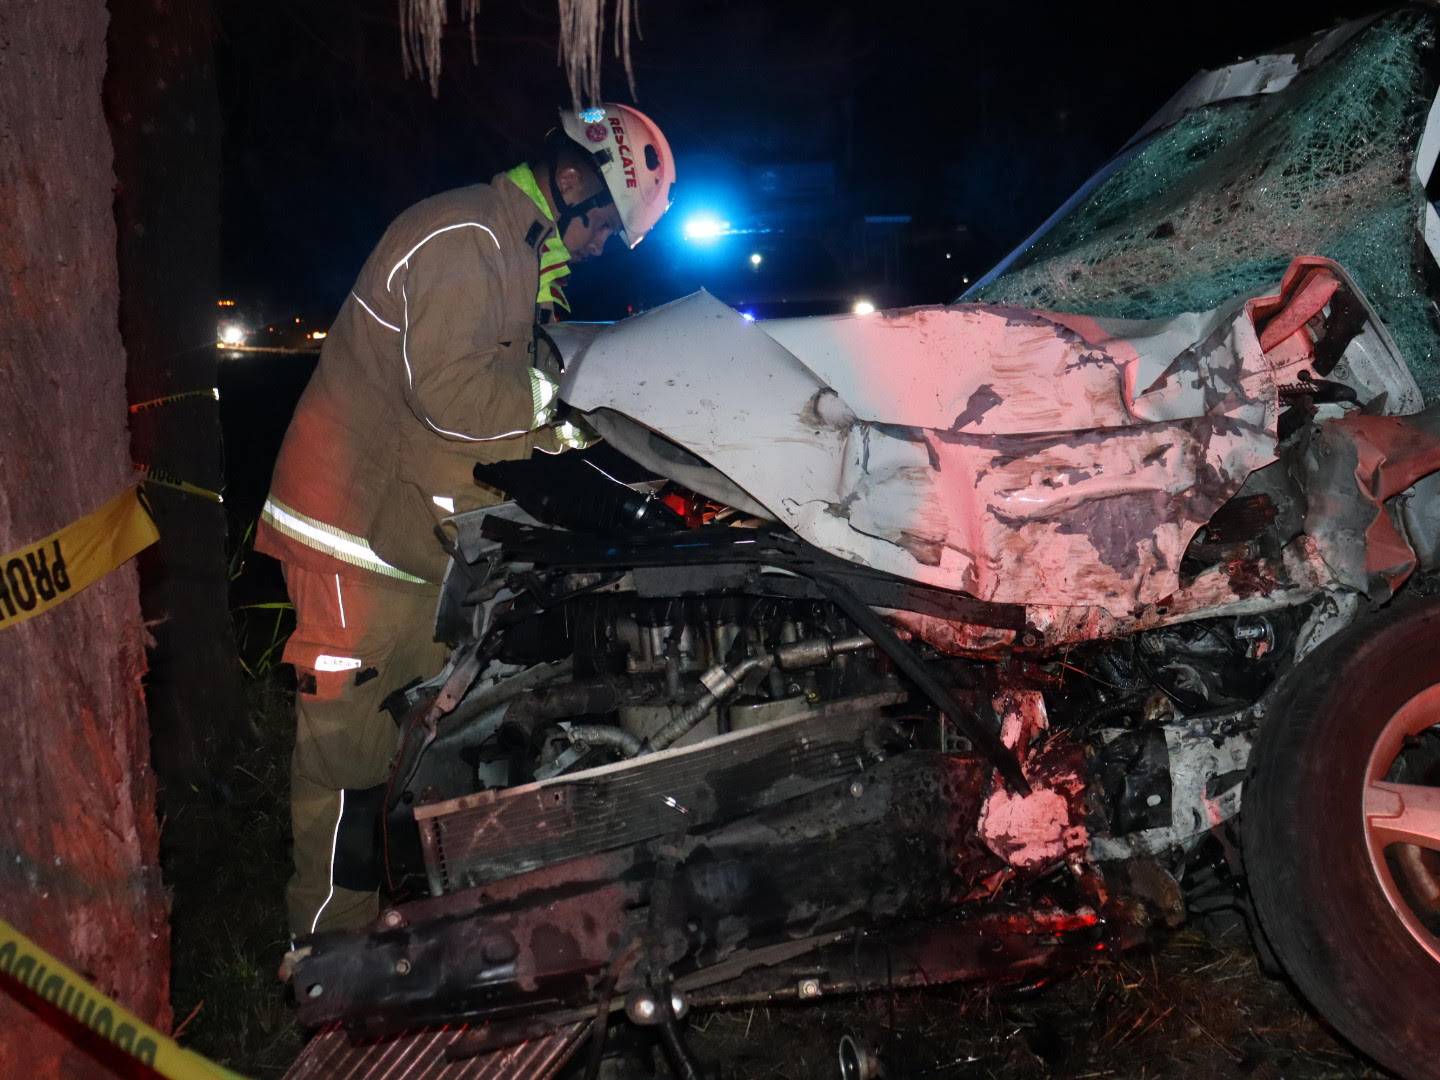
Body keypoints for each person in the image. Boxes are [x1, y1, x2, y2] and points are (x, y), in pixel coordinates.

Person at [256, 105, 675, 939]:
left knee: (418, 740)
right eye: (603, 226)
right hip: (352, 537)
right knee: (349, 763)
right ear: (569, 183)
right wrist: (573, 407)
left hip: (407, 543)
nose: (602, 248)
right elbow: (453, 399)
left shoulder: (508, 254)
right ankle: (327, 954)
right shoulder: (462, 239)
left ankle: (404, 924)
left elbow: (494, 410)